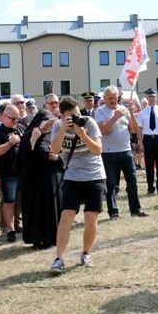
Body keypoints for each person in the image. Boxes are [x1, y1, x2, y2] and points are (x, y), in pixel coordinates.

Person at [49, 97, 106, 273]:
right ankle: (59, 259)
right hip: (72, 175)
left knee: (90, 218)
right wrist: (63, 129)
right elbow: (55, 150)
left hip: (94, 175)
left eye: (77, 114)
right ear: (62, 116)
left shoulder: (89, 123)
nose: (76, 118)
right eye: (71, 116)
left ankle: (85, 253)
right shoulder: (58, 126)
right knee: (66, 216)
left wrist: (82, 133)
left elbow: (97, 150)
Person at [95, 86, 149, 220]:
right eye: (110, 99)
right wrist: (115, 117)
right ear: (105, 99)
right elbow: (103, 131)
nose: (113, 101)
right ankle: (113, 212)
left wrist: (131, 113)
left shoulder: (124, 109)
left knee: (132, 181)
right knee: (111, 184)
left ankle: (136, 209)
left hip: (125, 151)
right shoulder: (100, 111)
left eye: (115, 98)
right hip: (108, 153)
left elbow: (135, 130)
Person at [18, 110, 63, 248]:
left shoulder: (53, 135)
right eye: (46, 124)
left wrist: (57, 157)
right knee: (37, 209)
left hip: (51, 179)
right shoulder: (28, 136)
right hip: (35, 182)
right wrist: (33, 140)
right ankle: (37, 239)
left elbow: (63, 152)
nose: (47, 127)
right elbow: (25, 158)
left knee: (51, 208)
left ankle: (52, 238)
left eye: (50, 124)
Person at [0, 104, 26, 242]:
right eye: (12, 119)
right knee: (8, 201)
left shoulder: (20, 128)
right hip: (8, 173)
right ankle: (9, 229)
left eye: (17, 119)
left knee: (23, 200)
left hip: (22, 171)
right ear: (3, 116)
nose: (15, 122)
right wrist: (10, 143)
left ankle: (21, 224)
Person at [137, 89, 158, 195]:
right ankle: (150, 187)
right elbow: (140, 130)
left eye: (154, 97)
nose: (152, 99)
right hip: (148, 139)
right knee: (149, 165)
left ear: (156, 98)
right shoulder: (142, 113)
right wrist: (141, 143)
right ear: (147, 98)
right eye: (150, 97)